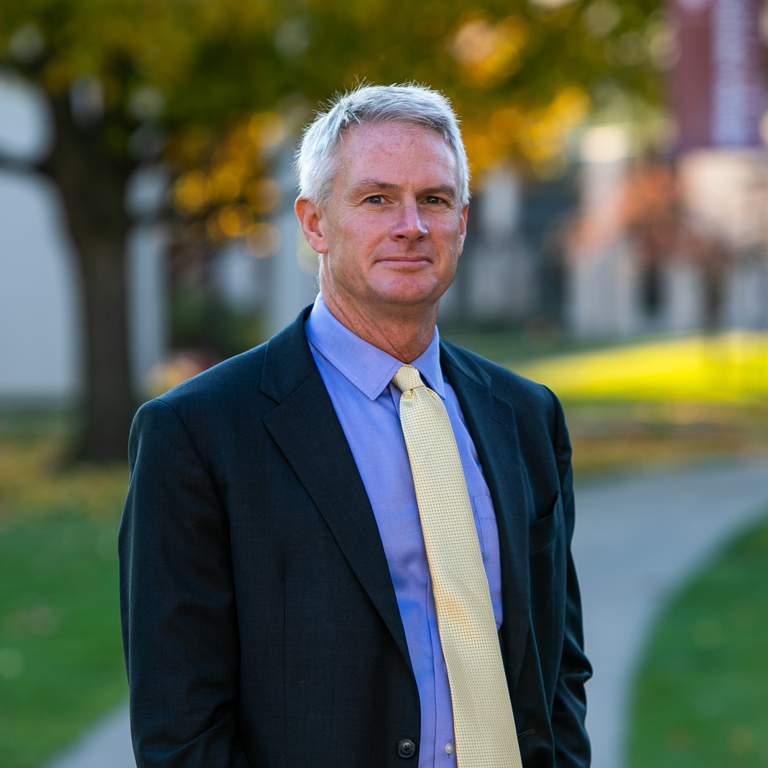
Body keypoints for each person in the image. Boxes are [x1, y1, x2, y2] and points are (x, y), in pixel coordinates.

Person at [119, 83, 591, 768]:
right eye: (376, 199)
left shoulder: (525, 417)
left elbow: (558, 669)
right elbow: (179, 726)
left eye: (434, 199)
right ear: (314, 223)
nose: (412, 225)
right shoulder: (197, 434)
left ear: (463, 219)